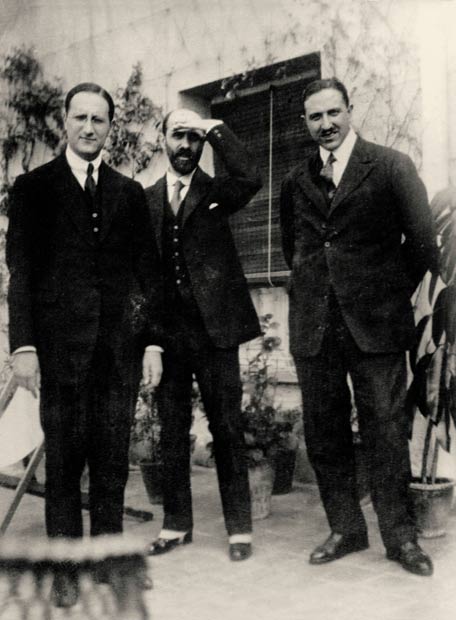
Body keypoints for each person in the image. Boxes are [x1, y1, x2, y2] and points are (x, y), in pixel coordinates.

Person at [6, 82, 164, 604]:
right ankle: (66, 570)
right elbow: (22, 274)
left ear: (110, 127)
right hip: (59, 354)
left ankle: (108, 562)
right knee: (64, 466)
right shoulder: (33, 189)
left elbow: (145, 276)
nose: (89, 128)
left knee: (113, 465)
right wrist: (24, 347)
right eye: (81, 118)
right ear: (65, 121)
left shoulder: (129, 193)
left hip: (117, 355)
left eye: (99, 119)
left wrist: (151, 344)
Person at [280, 78, 438, 576]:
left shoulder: (390, 166)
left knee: (385, 431)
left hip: (376, 326)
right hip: (315, 327)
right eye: (315, 116)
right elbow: (293, 249)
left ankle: (401, 537)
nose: (325, 124)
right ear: (305, 123)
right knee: (324, 431)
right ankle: (346, 528)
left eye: (333, 112)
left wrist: (382, 294)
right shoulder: (295, 180)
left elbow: (424, 247)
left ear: (350, 110)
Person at [145, 108, 261, 561]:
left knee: (227, 428)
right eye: (178, 135)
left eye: (194, 138)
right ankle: (176, 525)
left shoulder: (217, 191)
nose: (186, 145)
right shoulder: (146, 199)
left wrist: (214, 128)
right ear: (162, 139)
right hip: (167, 337)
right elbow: (140, 276)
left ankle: (239, 531)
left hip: (216, 333)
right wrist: (150, 341)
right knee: (171, 431)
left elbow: (250, 175)